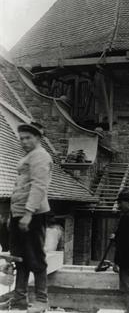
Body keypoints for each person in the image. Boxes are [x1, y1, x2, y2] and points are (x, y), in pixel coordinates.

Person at [9, 122, 52, 313]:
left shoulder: (40, 156)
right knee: (20, 258)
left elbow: (39, 187)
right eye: (22, 138)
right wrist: (16, 215)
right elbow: (21, 186)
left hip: (32, 215)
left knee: (36, 258)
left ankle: (42, 300)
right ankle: (18, 300)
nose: (24, 141)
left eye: (28, 138)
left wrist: (27, 213)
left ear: (38, 138)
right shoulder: (29, 156)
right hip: (20, 213)